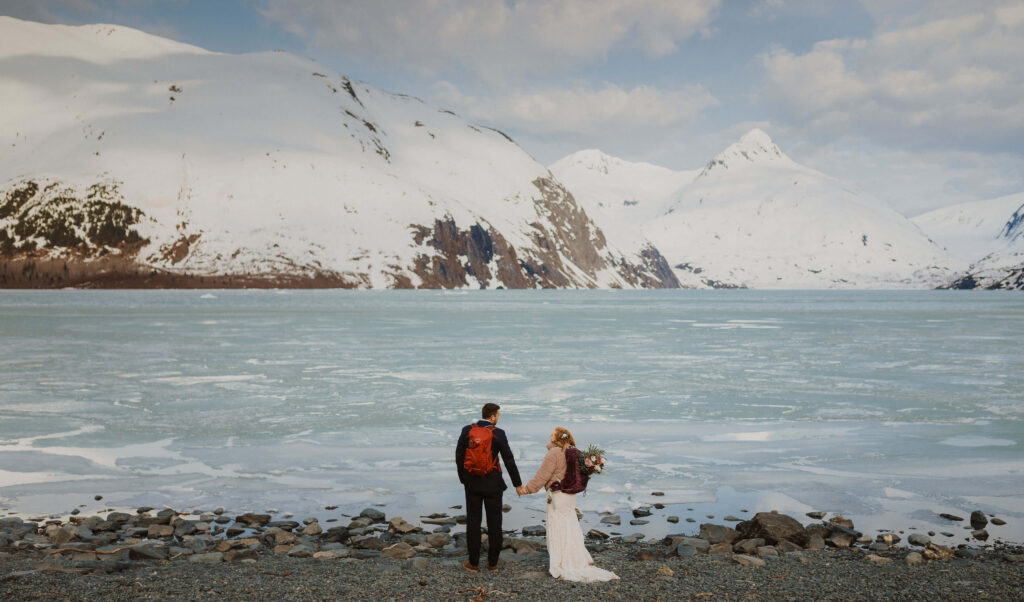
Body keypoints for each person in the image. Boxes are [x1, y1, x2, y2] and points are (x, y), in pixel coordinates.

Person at [520, 426, 619, 582]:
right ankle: (577, 559)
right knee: (571, 526)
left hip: (557, 496)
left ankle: (561, 563)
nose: (549, 435)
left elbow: (542, 475)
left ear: (558, 437)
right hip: (570, 496)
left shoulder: (554, 453)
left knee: (558, 528)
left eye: (552, 433)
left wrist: (527, 489)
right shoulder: (574, 451)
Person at [455, 402, 522, 572]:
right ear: (492, 416)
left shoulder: (467, 430)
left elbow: (459, 456)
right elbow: (509, 460)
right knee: (495, 524)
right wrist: (517, 484)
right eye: (498, 415)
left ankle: (473, 563)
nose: (498, 418)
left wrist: (464, 479)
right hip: (493, 484)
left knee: (473, 523)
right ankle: (492, 563)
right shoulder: (498, 433)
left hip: (472, 484)